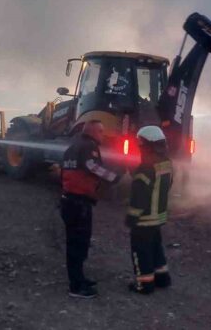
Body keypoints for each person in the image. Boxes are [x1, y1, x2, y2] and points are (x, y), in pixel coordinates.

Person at [60, 119, 120, 299]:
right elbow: (93, 166)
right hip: (79, 203)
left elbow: (64, 174)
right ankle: (76, 287)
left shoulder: (73, 147)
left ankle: (79, 279)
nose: (103, 135)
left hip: (70, 201)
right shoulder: (88, 146)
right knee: (78, 245)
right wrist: (114, 177)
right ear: (93, 132)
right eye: (101, 131)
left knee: (75, 243)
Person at [125, 125, 173, 295]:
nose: (139, 147)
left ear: (147, 144)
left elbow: (139, 197)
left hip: (144, 219)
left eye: (141, 144)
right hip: (158, 216)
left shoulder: (145, 168)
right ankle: (162, 278)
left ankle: (144, 284)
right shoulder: (166, 163)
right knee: (155, 247)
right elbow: (163, 186)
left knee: (141, 251)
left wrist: (131, 217)